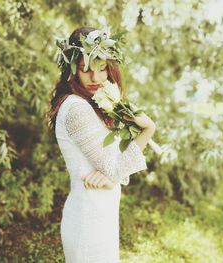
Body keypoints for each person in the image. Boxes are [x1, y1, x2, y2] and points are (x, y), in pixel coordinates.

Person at [47, 26, 156, 263]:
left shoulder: (92, 105)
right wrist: (148, 129)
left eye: (102, 68)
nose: (96, 78)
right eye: (86, 70)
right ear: (73, 69)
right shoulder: (76, 108)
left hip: (100, 213)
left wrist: (112, 176)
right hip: (88, 220)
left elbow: (114, 163)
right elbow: (116, 166)